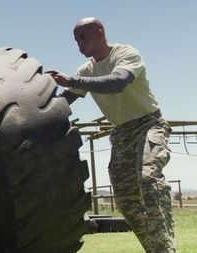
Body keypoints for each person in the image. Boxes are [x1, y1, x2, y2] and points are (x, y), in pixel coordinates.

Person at [46, 17, 175, 252]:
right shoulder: (87, 70)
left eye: (83, 37)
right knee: (125, 199)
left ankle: (166, 249)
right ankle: (157, 249)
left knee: (148, 178)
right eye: (76, 40)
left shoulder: (126, 53)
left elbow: (118, 82)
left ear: (100, 32)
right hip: (121, 133)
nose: (79, 44)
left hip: (148, 125)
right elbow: (64, 102)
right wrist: (35, 104)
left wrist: (73, 80)